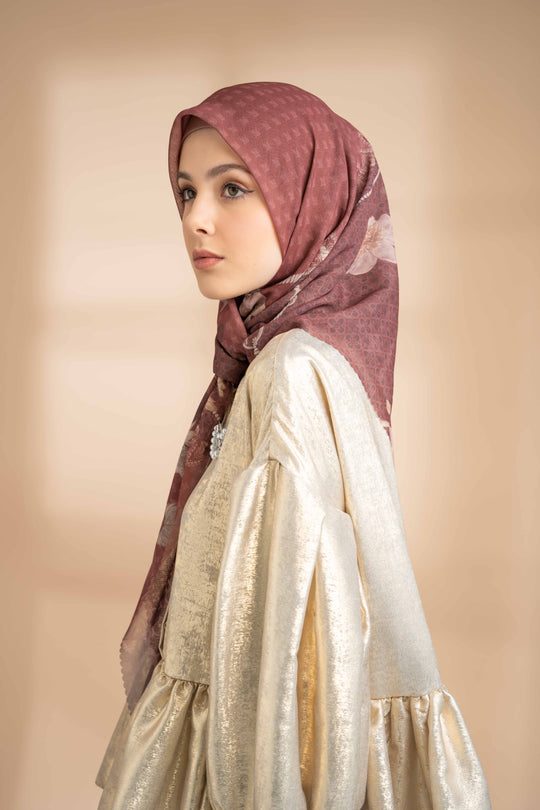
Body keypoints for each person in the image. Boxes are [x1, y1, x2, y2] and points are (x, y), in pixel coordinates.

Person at [95, 81, 492, 810]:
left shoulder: (292, 374)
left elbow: (286, 675)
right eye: (186, 192)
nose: (196, 219)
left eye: (233, 188)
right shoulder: (298, 359)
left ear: (314, 202)